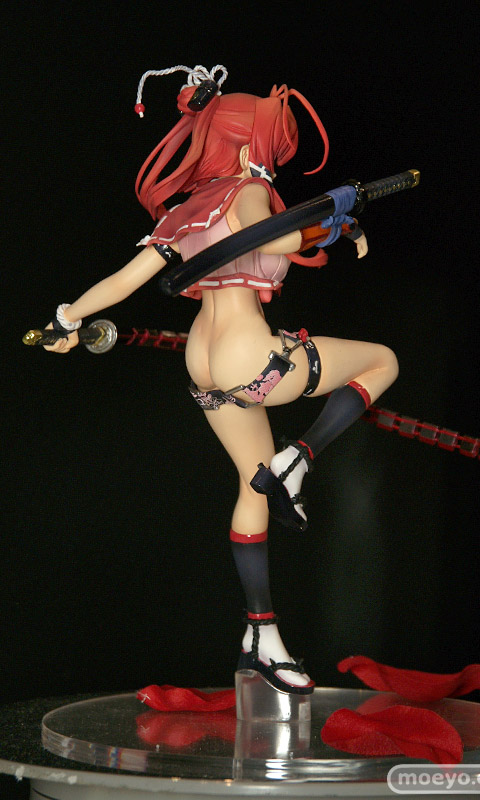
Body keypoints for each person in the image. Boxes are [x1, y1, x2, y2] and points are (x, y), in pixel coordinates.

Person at [45, 65, 398, 695]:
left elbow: (123, 282)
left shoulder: (185, 210)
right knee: (383, 361)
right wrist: (339, 220)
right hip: (251, 356)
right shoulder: (248, 189)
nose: (271, 161)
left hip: (203, 365)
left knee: (249, 487)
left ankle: (261, 635)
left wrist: (65, 319)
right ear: (248, 144)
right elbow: (280, 239)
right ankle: (300, 457)